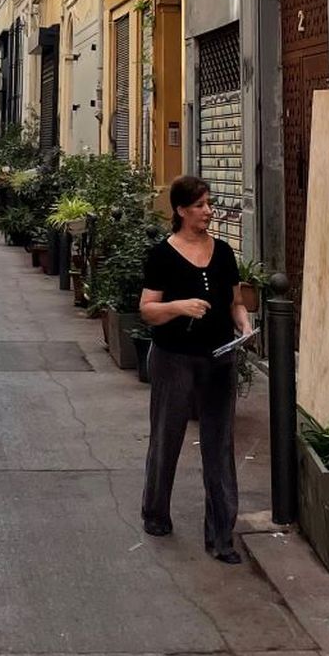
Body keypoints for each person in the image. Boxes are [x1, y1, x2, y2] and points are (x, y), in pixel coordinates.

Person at [138, 175, 252, 562]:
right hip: (173, 357)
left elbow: (236, 302)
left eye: (209, 204)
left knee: (219, 444)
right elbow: (148, 310)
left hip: (219, 357)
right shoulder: (162, 255)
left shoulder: (223, 253)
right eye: (201, 205)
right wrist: (179, 307)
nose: (208, 211)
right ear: (181, 210)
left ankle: (221, 535)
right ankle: (155, 513)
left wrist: (244, 325)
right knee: (166, 435)